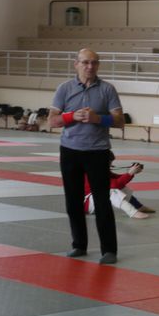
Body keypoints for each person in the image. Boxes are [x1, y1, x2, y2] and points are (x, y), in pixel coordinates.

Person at [47, 48, 125, 265]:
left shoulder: (107, 89)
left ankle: (109, 250)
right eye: (85, 62)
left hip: (98, 151)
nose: (90, 67)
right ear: (76, 64)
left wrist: (97, 119)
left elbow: (120, 121)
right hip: (70, 151)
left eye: (94, 62)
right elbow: (52, 121)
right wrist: (72, 116)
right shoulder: (64, 89)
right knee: (73, 201)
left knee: (102, 202)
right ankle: (78, 245)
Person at [84, 153, 154, 220]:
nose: (111, 165)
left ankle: (138, 206)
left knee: (122, 188)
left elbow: (117, 178)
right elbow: (115, 184)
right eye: (109, 162)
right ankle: (133, 212)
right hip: (87, 205)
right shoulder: (93, 172)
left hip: (94, 201)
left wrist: (132, 172)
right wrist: (130, 173)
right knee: (111, 191)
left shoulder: (98, 169)